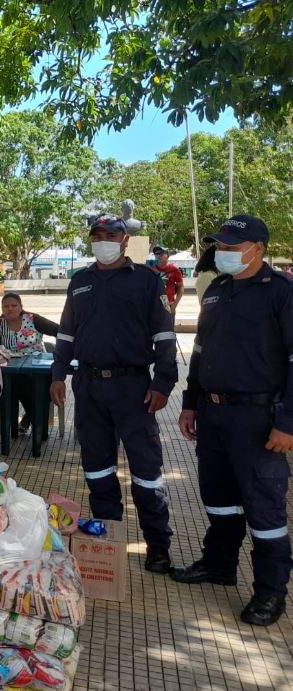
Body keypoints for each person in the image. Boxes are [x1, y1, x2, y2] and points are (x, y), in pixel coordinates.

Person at [171, 215, 293, 626]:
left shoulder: (281, 294)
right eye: (219, 246)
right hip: (214, 412)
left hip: (260, 418)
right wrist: (189, 403)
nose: (221, 253)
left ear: (257, 249)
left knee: (264, 508)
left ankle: (270, 592)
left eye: (230, 247)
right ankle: (219, 564)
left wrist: (288, 422)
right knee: (219, 498)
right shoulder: (218, 291)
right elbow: (201, 350)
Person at [50, 214, 177, 574]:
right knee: (98, 468)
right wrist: (58, 375)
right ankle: (109, 538)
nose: (103, 239)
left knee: (146, 472)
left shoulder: (147, 282)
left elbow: (164, 337)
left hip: (134, 389)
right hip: (88, 387)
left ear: (125, 240)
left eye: (111, 234)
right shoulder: (80, 282)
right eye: (97, 235)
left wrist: (163, 383)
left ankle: (158, 546)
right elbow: (66, 336)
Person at [0, 292, 59, 432]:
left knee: (48, 384)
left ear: (21, 306)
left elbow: (60, 330)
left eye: (14, 305)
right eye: (6, 306)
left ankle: (30, 420)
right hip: (12, 369)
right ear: (2, 308)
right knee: (20, 384)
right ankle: (37, 425)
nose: (10, 309)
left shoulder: (34, 319)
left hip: (39, 367)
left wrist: (62, 352)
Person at [151, 246, 184, 313]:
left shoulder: (174, 269)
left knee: (168, 323)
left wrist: (175, 305)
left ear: (167, 255)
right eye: (156, 254)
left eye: (161, 253)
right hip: (153, 306)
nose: (158, 255)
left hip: (168, 305)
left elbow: (180, 287)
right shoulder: (150, 268)